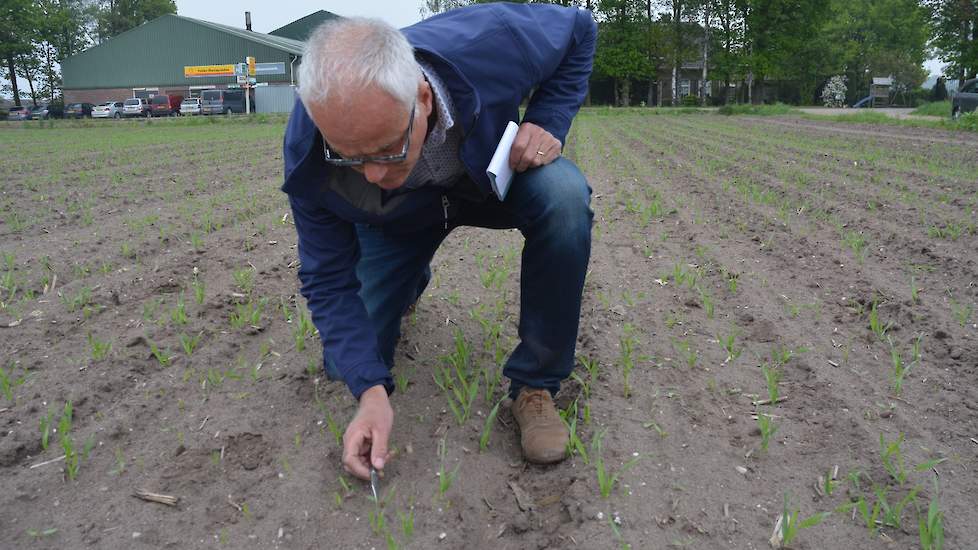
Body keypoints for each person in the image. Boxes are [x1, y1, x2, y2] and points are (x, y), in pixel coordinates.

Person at [282, 3, 596, 481]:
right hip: (400, 218)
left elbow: (580, 29)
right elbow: (326, 277)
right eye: (351, 158)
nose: (375, 174)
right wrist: (369, 392)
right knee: (346, 363)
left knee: (565, 198)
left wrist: (549, 118)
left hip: (490, 180)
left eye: (389, 147)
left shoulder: (494, 40)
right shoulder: (311, 145)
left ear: (423, 98)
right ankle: (408, 276)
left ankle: (535, 385)